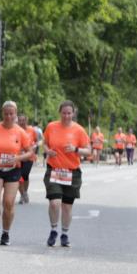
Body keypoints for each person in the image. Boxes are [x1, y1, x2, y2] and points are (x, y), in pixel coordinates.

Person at [0, 101, 34, 245]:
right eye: (6, 113)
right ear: (2, 114)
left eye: (11, 114)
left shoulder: (20, 132)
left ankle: (6, 233)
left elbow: (30, 152)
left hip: (13, 170)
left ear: (15, 115)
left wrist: (18, 157)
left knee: (9, 203)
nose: (9, 116)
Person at [43, 101, 91, 248]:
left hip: (72, 172)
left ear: (73, 113)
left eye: (69, 113)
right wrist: (47, 151)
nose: (66, 116)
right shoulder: (52, 127)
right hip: (55, 170)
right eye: (64, 113)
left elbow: (88, 150)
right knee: (54, 203)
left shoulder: (79, 130)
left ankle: (64, 234)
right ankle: (53, 230)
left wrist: (76, 149)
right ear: (60, 113)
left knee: (67, 207)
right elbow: (44, 143)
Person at [16, 114, 37, 204]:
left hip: (29, 157)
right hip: (18, 157)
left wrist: (34, 147)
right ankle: (22, 195)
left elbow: (36, 141)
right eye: (20, 120)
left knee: (25, 175)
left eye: (23, 120)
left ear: (26, 121)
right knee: (18, 177)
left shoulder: (31, 130)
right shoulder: (16, 130)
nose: (21, 122)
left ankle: (25, 192)